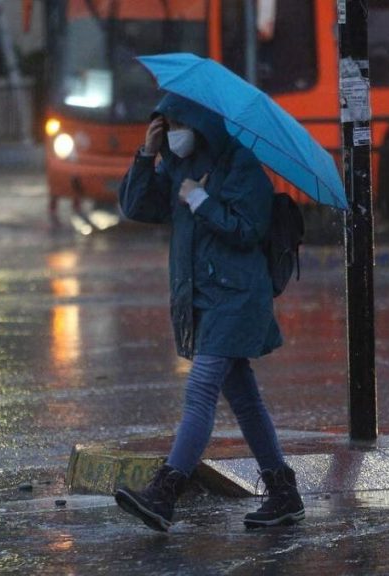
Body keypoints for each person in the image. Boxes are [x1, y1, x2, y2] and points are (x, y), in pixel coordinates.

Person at [113, 93, 305, 531]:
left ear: (199, 123)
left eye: (176, 124)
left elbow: (249, 228)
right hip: (202, 298)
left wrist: (203, 202)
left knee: (200, 392)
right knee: (244, 399)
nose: (172, 134)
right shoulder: (180, 164)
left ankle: (164, 493)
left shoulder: (240, 164)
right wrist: (146, 154)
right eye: (164, 126)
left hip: (236, 297)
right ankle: (284, 493)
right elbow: (138, 206)